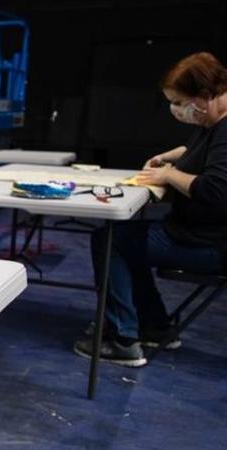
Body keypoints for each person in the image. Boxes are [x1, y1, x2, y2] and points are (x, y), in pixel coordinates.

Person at [74, 51, 227, 367]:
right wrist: (170, 156)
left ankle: (122, 338)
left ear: (204, 96)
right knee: (127, 239)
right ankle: (156, 328)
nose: (177, 109)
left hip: (207, 245)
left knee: (111, 241)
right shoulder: (213, 121)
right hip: (193, 234)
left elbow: (215, 189)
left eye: (179, 101)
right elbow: (199, 150)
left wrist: (169, 174)